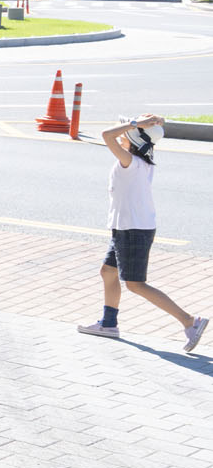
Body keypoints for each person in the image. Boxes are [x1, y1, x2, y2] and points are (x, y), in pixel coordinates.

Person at [78, 115, 206, 350]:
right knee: (108, 271)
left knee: (135, 284)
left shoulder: (131, 161)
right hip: (126, 228)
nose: (123, 133)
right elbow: (115, 135)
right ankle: (108, 323)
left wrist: (136, 124)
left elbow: (107, 135)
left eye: (127, 132)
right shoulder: (139, 160)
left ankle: (190, 321)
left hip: (133, 230)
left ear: (134, 138)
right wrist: (143, 124)